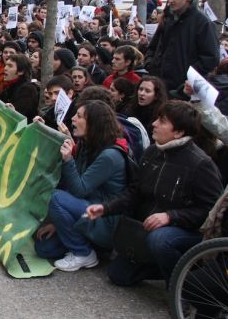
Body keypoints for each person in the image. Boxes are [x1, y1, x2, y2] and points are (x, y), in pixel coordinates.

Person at [86, 101, 224, 287]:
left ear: (179, 132)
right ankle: (170, 268)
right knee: (118, 275)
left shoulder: (201, 164)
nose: (154, 124)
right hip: (147, 229)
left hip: (185, 232)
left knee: (160, 240)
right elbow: (135, 193)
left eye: (162, 121)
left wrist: (171, 216)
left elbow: (211, 212)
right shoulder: (152, 152)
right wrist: (105, 207)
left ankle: (183, 287)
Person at [35, 100, 127, 271]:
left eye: (79, 116)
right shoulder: (87, 144)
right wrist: (58, 223)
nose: (73, 120)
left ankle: (83, 252)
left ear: (93, 124)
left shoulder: (110, 155)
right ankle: (89, 247)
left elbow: (79, 189)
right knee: (43, 248)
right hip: (86, 208)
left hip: (104, 218)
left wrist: (68, 159)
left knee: (55, 197)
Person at [146, 0, 220, 92]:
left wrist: (188, 75)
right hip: (160, 84)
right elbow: (154, 46)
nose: (170, 1)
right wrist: (150, 64)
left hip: (183, 89)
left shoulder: (203, 23)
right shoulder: (168, 19)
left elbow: (211, 58)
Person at [0, 53, 39, 122]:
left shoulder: (28, 90)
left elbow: (19, 116)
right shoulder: (9, 87)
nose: (5, 68)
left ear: (21, 71)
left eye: (10, 66)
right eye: (6, 65)